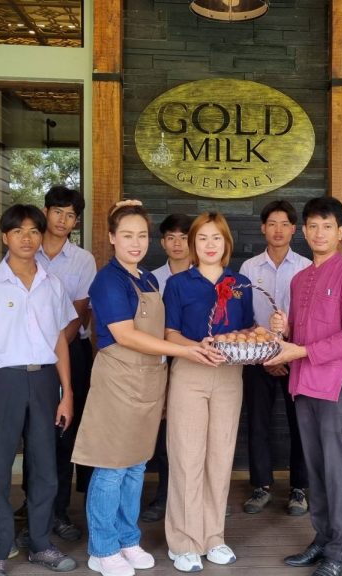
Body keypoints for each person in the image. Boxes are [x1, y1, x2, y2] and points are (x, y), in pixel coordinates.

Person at [72, 201, 221, 576]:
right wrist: (185, 351)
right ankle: (102, 548)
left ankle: (127, 539)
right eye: (127, 235)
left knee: (137, 465)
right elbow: (125, 335)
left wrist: (191, 347)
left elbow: (161, 332)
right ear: (112, 238)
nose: (135, 243)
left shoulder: (148, 279)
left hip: (148, 380)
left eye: (141, 235)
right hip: (119, 381)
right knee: (112, 466)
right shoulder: (108, 281)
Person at [0, 204, 78, 576]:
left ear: (41, 237)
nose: (27, 238)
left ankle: (40, 543)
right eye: (19, 231)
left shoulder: (52, 285)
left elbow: (60, 342)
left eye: (34, 231)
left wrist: (67, 393)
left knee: (45, 467)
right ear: (5, 237)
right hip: (2, 382)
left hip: (44, 382)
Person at [268, 196, 342, 576]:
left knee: (336, 470)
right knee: (314, 468)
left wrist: (301, 350)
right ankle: (322, 539)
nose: (319, 233)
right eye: (313, 226)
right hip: (302, 385)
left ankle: (337, 553)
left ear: (340, 233)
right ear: (304, 231)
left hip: (334, 387)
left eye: (327, 227)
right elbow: (299, 332)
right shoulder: (299, 279)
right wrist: (283, 329)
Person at [163, 212, 255, 573]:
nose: (210, 244)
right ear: (193, 244)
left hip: (230, 375)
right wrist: (194, 347)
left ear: (226, 243)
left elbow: (246, 330)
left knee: (220, 456)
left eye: (216, 238)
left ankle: (213, 536)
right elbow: (170, 333)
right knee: (187, 457)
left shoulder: (240, 283)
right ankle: (184, 542)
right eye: (202, 238)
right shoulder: (178, 284)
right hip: (190, 371)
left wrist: (270, 328)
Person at [239, 200, 311, 516]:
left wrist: (285, 353)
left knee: (300, 423)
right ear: (263, 228)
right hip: (257, 358)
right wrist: (267, 354)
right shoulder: (249, 268)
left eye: (284, 224)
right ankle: (261, 486)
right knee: (257, 422)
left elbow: (309, 318)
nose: (278, 230)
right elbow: (243, 315)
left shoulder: (306, 267)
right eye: (272, 223)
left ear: (294, 229)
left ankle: (300, 488)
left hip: (296, 355)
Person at [33, 185, 97, 542]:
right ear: (46, 212)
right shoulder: (26, 249)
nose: (63, 219)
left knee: (63, 430)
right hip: (26, 354)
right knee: (33, 429)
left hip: (69, 351)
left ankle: (59, 510)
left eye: (70, 215)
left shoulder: (82, 259)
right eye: (57, 211)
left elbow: (79, 313)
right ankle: (32, 504)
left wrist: (53, 349)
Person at [140, 213, 194, 524]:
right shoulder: (150, 279)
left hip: (194, 358)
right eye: (171, 237)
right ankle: (164, 495)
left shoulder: (204, 276)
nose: (177, 243)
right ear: (162, 242)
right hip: (158, 359)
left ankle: (195, 496)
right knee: (163, 432)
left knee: (192, 432)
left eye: (184, 237)